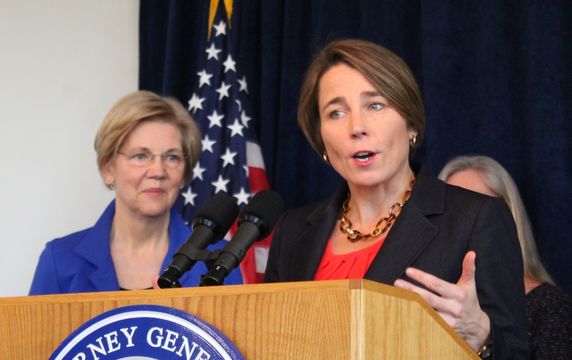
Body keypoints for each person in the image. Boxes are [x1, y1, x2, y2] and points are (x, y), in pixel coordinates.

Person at [264, 39, 529, 358]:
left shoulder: (476, 218)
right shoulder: (293, 232)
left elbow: (516, 351)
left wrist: (481, 339)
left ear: (411, 123)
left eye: (375, 105)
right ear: (321, 138)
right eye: (336, 112)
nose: (356, 127)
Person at [29, 90, 242, 294]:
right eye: (140, 156)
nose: (158, 171)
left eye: (172, 157)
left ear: (185, 173)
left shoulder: (218, 262)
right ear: (108, 168)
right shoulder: (59, 260)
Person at [439, 154, 572, 359]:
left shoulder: (549, 306)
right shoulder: (430, 304)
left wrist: (485, 342)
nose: (465, 223)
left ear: (510, 218)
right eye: (454, 212)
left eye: (476, 210)